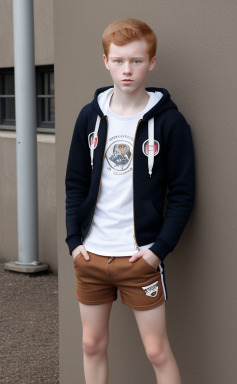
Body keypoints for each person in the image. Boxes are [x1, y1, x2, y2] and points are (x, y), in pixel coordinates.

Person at [65, 18, 195, 384]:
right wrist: (75, 242)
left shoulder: (170, 123)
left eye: (136, 61)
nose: (127, 70)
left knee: (156, 350)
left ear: (152, 63)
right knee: (91, 345)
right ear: (105, 60)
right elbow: (75, 185)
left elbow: (184, 195)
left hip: (140, 257)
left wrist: (158, 251)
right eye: (119, 60)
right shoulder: (90, 117)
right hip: (90, 256)